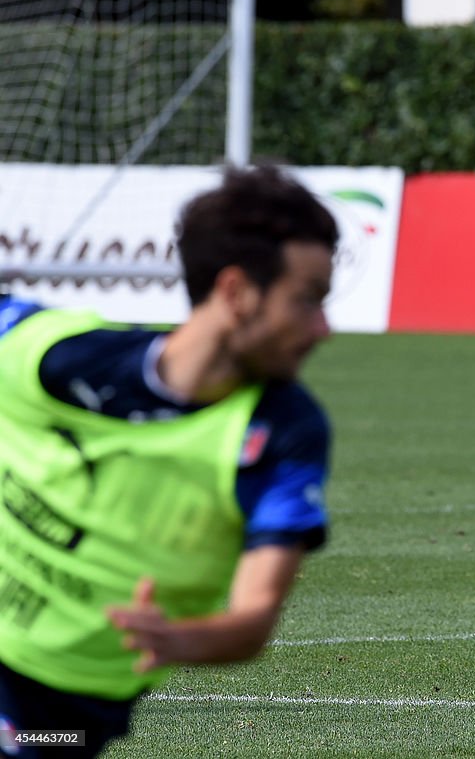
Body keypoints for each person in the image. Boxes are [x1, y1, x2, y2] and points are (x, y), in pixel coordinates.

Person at [0, 165, 339, 757]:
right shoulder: (52, 352)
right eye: (306, 301)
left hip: (59, 714)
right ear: (235, 292)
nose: (323, 328)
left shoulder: (281, 433)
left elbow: (254, 618)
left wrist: (177, 639)